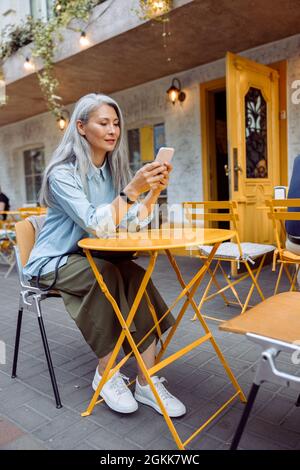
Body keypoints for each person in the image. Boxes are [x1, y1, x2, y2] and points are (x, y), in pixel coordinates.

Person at [23, 93, 186, 417]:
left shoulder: (110, 172)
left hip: (92, 258)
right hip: (52, 261)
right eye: (103, 123)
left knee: (135, 275)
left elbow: (128, 223)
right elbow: (97, 224)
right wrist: (131, 191)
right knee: (106, 275)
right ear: (81, 127)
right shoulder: (62, 174)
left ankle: (146, 381)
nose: (112, 129)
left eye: (115, 123)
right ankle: (106, 373)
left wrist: (151, 194)